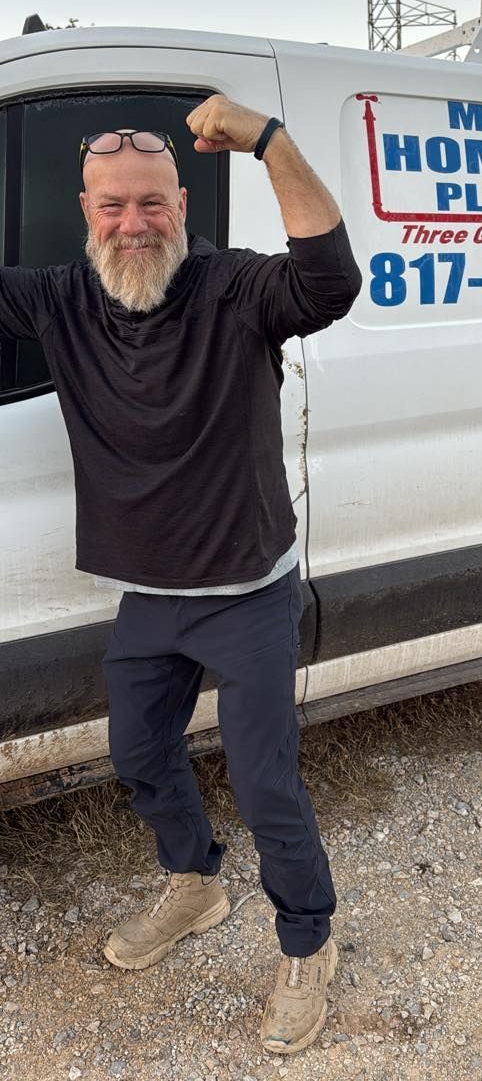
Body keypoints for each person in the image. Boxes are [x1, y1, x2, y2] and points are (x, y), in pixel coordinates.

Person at [0, 96, 362, 1055]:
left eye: (151, 203)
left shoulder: (233, 290)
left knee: (263, 778)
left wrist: (270, 141)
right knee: (139, 756)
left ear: (184, 204)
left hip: (247, 589)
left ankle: (306, 941)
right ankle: (195, 884)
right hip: (150, 595)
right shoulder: (61, 302)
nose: (132, 223)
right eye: (113, 206)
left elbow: (329, 282)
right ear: (85, 209)